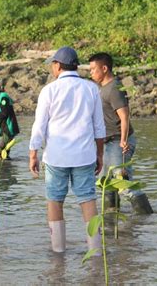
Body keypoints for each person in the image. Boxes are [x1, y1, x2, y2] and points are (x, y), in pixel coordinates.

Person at [29, 46, 106, 254]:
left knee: (55, 200)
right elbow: (99, 127)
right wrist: (100, 154)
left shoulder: (49, 90)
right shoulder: (91, 88)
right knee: (87, 199)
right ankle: (96, 251)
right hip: (84, 155)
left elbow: (39, 125)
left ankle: (58, 252)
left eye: (52, 65)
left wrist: (33, 152)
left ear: (57, 66)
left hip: (56, 156)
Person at [89, 52, 153, 214]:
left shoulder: (114, 89)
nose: (90, 73)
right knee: (106, 184)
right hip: (107, 143)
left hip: (118, 142)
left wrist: (124, 141)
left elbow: (125, 116)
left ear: (104, 68)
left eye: (93, 69)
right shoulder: (103, 88)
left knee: (124, 185)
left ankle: (145, 217)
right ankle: (111, 219)